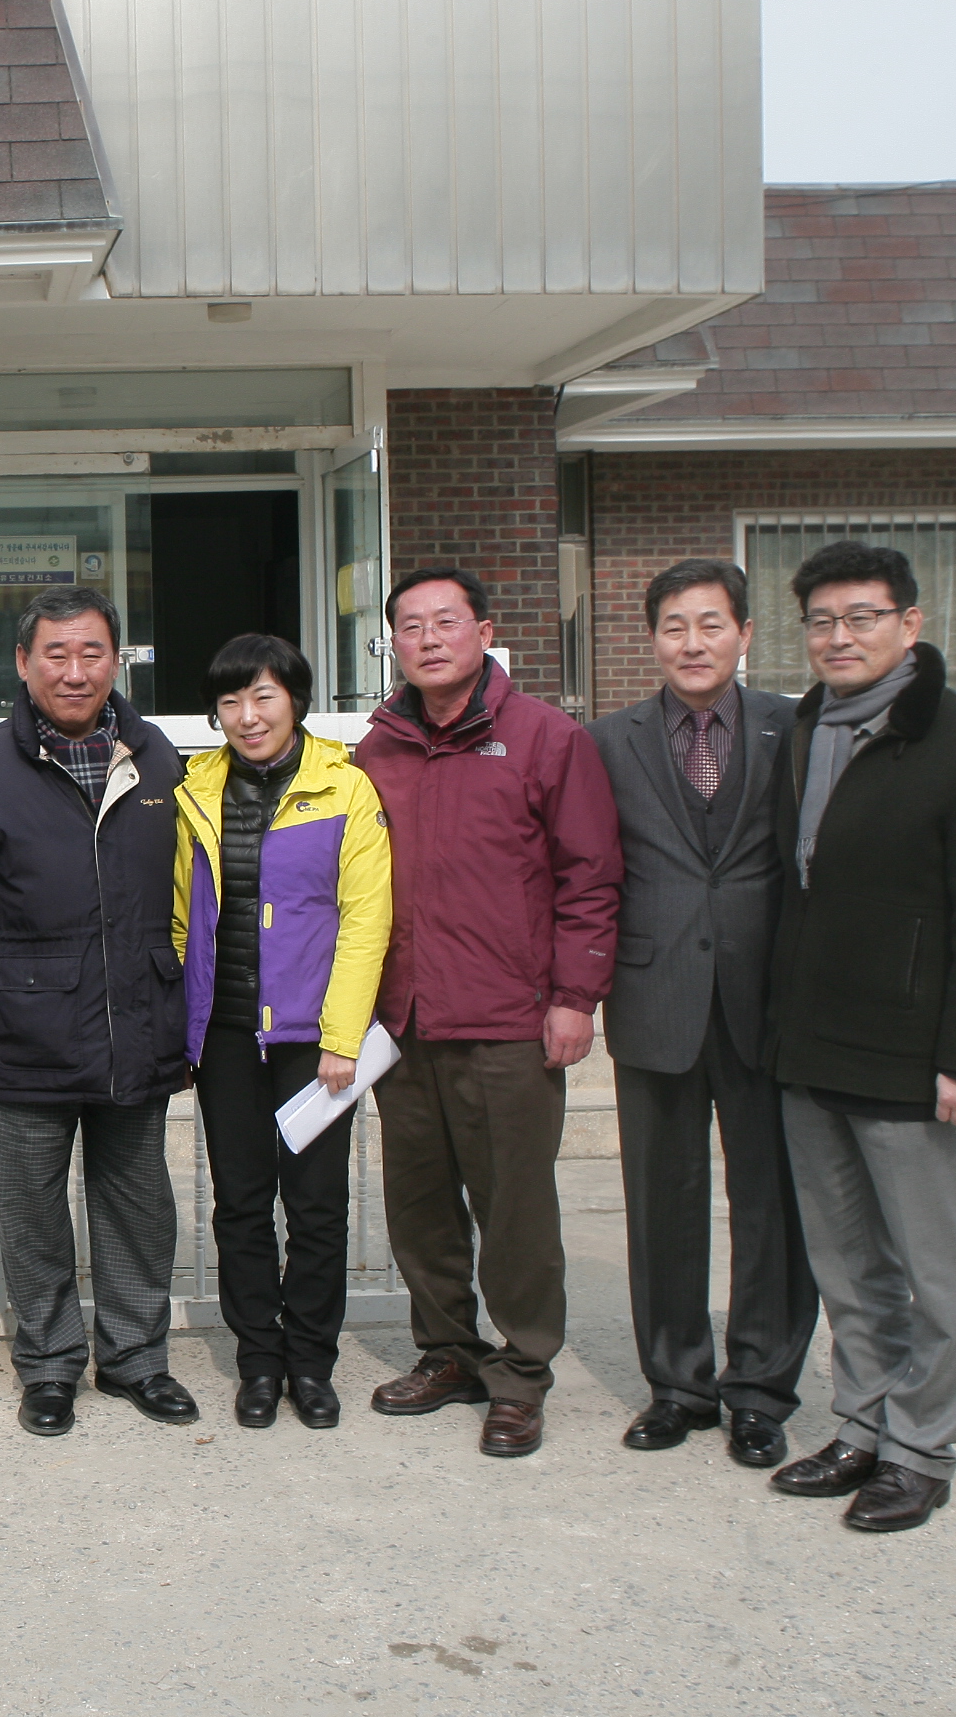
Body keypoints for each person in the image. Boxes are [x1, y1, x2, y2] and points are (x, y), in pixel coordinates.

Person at [764, 541, 956, 1533]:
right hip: (812, 1049)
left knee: (936, 1268)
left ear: (909, 624)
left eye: (861, 616)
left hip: (914, 1058)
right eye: (824, 620)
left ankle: (923, 1447)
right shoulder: (803, 727)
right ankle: (864, 1423)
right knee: (848, 1263)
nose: (840, 636)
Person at [352, 565, 621, 1459]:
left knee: (514, 1210)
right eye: (411, 626)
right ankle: (448, 1353)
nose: (428, 639)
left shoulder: (546, 739)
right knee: (419, 1205)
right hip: (406, 1022)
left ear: (483, 632)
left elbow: (590, 878)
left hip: (510, 1020)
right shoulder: (377, 749)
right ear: (394, 641)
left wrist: (575, 996)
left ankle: (522, 1371)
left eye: (445, 622)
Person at [0, 585, 197, 1439]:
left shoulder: (160, 760)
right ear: (23, 663)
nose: (74, 672)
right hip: (26, 1029)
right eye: (56, 655)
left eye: (92, 654)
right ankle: (47, 1368)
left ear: (118, 660)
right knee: (33, 1211)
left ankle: (136, 1360)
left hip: (138, 1023)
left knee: (138, 1202)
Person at [588, 561, 819, 1470]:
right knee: (664, 1202)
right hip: (656, 998)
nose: (693, 643)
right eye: (675, 627)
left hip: (768, 1001)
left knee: (771, 1203)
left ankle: (760, 1392)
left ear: (747, 634)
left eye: (711, 625)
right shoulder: (609, 741)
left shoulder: (797, 727)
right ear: (652, 640)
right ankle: (677, 1386)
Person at [170, 633, 393, 1433]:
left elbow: (367, 920)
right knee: (240, 1204)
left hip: (312, 1041)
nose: (246, 715)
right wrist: (188, 1026)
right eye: (230, 701)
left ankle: (311, 1362)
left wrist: (343, 1037)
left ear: (294, 698)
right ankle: (258, 1363)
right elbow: (181, 917)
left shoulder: (345, 789)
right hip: (228, 1035)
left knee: (317, 1208)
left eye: (262, 696)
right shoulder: (199, 788)